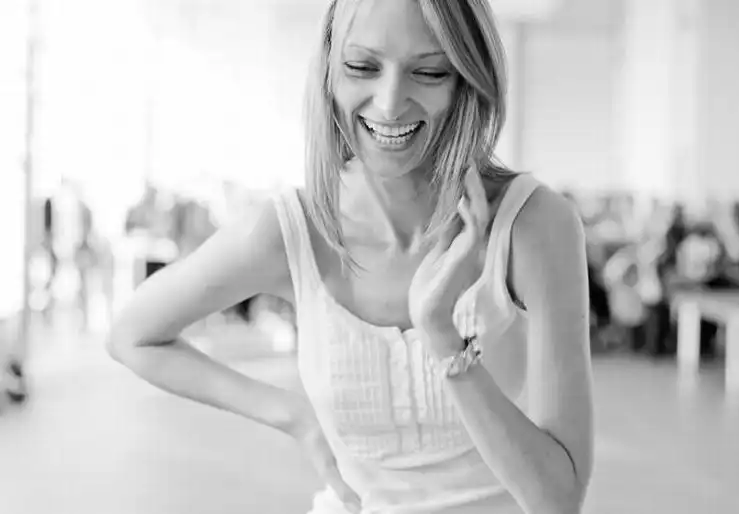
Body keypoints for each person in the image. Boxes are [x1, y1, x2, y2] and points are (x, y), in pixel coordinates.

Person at [106, 1, 594, 513]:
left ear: (466, 79)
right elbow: (132, 336)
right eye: (362, 66)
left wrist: (443, 337)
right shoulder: (290, 230)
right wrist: (293, 416)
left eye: (429, 72)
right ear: (328, 71)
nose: (389, 103)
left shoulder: (533, 225)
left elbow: (557, 499)